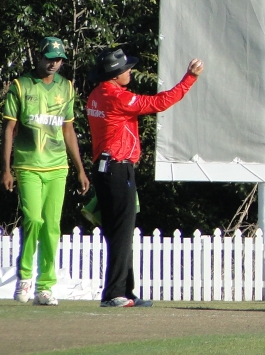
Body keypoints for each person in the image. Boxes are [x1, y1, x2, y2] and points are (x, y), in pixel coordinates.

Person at [86, 47, 204, 308]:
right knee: (121, 232)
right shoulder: (117, 97)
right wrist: (189, 78)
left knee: (121, 231)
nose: (130, 71)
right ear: (115, 75)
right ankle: (114, 293)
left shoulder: (96, 94)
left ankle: (125, 291)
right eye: (126, 69)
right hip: (117, 168)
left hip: (107, 168)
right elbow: (158, 103)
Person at [0, 36, 90, 305]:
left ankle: (45, 286)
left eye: (59, 59)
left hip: (57, 166)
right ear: (39, 57)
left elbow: (68, 130)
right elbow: (9, 129)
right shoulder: (21, 85)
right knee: (33, 220)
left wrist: (81, 170)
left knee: (52, 226)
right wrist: (6, 169)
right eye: (50, 58)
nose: (54, 64)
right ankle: (25, 277)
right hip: (27, 164)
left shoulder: (67, 87)